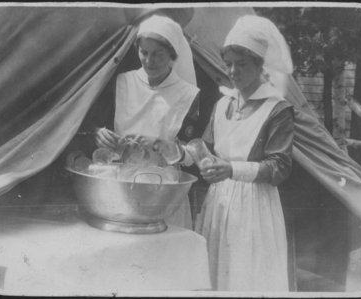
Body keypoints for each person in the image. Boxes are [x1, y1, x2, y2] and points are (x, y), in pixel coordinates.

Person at [192, 15, 294, 291]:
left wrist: (232, 169)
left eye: (242, 64)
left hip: (254, 208)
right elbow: (205, 149)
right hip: (219, 203)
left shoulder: (277, 109)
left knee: (246, 278)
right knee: (217, 274)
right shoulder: (223, 104)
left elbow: (279, 167)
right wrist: (182, 153)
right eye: (229, 65)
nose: (233, 71)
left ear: (260, 66)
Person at [93, 15, 200, 229]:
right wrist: (100, 133)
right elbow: (95, 126)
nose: (149, 61)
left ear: (172, 54)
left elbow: (194, 154)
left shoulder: (188, 95)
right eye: (144, 52)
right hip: (120, 184)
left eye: (158, 55)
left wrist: (163, 146)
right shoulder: (122, 82)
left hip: (163, 192)